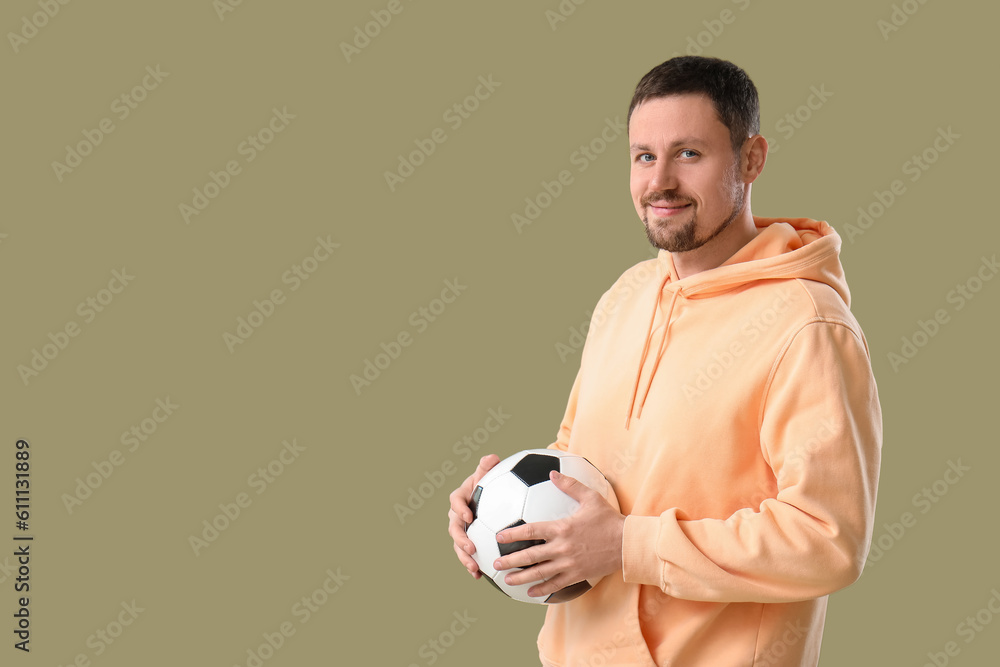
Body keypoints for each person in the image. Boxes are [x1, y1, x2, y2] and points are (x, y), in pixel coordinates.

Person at [447, 55, 882, 666]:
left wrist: (630, 545)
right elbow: (582, 465)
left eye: (689, 154)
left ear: (751, 159)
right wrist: (494, 511)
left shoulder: (807, 324)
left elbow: (827, 539)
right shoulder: (626, 296)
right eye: (645, 156)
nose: (660, 182)